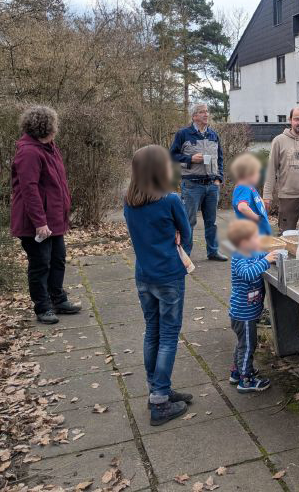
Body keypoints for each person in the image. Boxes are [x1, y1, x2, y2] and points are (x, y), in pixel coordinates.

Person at [124, 145, 194, 426]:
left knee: (152, 331)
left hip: (144, 276)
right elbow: (187, 235)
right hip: (168, 276)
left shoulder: (129, 201)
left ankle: (158, 388)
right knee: (167, 336)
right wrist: (177, 244)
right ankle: (160, 400)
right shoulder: (170, 200)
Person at [11, 106, 81, 324]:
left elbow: (55, 183)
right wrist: (40, 223)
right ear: (46, 128)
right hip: (34, 222)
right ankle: (42, 307)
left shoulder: (50, 147)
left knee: (58, 259)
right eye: (54, 126)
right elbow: (28, 190)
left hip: (54, 218)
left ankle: (58, 299)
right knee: (40, 264)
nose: (56, 130)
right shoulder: (29, 152)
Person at [169, 102, 227, 261]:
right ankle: (185, 255)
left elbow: (220, 158)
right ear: (194, 116)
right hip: (192, 185)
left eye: (207, 111)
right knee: (189, 222)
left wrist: (219, 178)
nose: (206, 114)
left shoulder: (214, 135)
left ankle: (213, 251)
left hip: (211, 185)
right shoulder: (183, 134)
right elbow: (172, 156)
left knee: (212, 222)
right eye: (202, 112)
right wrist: (190, 159)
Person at [227, 219, 277, 393]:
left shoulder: (250, 252)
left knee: (243, 344)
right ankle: (246, 380)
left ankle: (237, 371)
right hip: (243, 314)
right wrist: (266, 261)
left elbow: (259, 258)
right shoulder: (239, 256)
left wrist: (269, 256)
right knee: (248, 345)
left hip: (247, 312)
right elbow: (247, 273)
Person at [232, 153, 271, 235]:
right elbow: (242, 207)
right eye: (257, 172)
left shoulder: (248, 186)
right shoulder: (244, 187)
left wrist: (261, 202)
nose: (259, 175)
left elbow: (255, 198)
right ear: (249, 174)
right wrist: (257, 218)